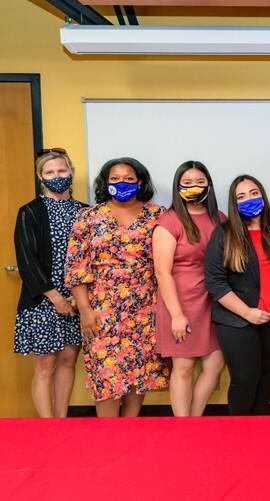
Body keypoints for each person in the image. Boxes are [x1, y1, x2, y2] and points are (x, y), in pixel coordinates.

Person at [65, 157, 169, 417]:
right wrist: (86, 310)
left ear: (140, 182)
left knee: (139, 373)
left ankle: (130, 434)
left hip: (146, 308)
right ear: (106, 182)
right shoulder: (88, 217)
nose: (121, 183)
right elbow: (77, 268)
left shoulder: (158, 215)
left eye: (128, 179)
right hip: (102, 309)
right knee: (107, 377)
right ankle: (108, 438)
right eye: (115, 179)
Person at [205, 175, 270, 415]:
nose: (249, 200)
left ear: (263, 195)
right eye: (241, 197)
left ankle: (260, 431)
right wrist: (247, 313)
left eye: (254, 193)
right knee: (245, 379)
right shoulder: (223, 234)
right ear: (233, 203)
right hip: (236, 321)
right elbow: (215, 282)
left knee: (266, 374)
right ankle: (238, 435)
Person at [13, 149, 84, 417]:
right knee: (46, 365)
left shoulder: (85, 213)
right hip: (43, 301)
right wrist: (57, 299)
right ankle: (46, 426)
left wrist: (79, 299)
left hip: (77, 302)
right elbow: (27, 261)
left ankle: (62, 422)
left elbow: (92, 259)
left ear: (71, 172)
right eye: (50, 172)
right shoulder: (29, 213)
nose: (57, 176)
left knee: (68, 361)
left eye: (61, 171)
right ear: (40, 177)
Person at [153, 161, 225, 416]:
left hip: (214, 301)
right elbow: (162, 272)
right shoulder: (168, 221)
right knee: (182, 367)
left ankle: (193, 421)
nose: (194, 187)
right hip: (181, 302)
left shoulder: (220, 218)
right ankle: (183, 426)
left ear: (209, 185)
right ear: (178, 187)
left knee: (215, 363)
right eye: (187, 183)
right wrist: (177, 315)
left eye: (200, 182)